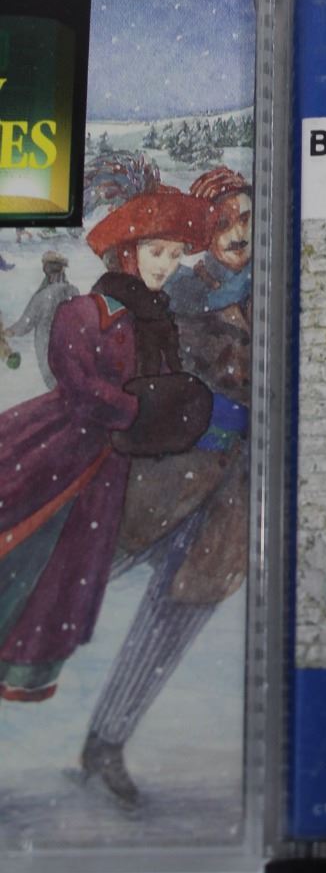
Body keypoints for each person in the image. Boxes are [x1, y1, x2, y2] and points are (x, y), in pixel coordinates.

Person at [0, 186, 213, 709]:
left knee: (70, 573)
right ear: (128, 253)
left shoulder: (159, 321)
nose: (166, 265)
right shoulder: (84, 311)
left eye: (175, 255)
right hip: (58, 448)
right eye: (156, 251)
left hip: (109, 467)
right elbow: (78, 384)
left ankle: (26, 667)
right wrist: (135, 410)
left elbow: (165, 385)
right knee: (25, 548)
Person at [82, 167, 253, 808]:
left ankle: (106, 742)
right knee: (72, 575)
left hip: (231, 499)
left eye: (248, 218)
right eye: (225, 219)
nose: (239, 232)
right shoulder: (174, 288)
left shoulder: (273, 289)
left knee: (174, 617)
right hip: (159, 478)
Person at [9, 249, 78, 388]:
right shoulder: (73, 291)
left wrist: (7, 332)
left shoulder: (42, 297)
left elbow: (24, 325)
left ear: (46, 270)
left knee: (55, 387)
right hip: (71, 349)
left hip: (47, 350)